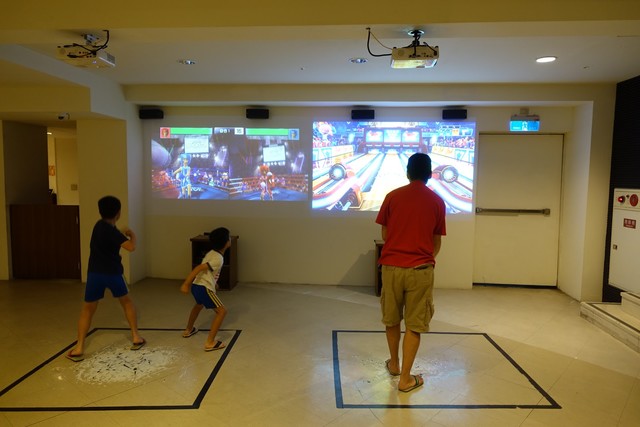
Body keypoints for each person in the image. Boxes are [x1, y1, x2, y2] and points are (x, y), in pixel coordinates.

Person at [375, 153, 446, 392]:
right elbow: (436, 241)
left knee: (392, 319)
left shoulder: (392, 197)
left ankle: (394, 364)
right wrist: (424, 259)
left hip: (391, 268)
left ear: (407, 172)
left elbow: (385, 235)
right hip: (420, 270)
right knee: (414, 325)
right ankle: (405, 378)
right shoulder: (437, 201)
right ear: (429, 174)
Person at [66, 196, 145, 362]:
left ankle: (79, 346)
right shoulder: (113, 231)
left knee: (87, 309)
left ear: (100, 211)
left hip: (95, 273)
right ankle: (136, 336)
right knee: (127, 302)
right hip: (113, 273)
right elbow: (131, 247)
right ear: (118, 213)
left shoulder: (98, 226)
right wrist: (132, 235)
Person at [180, 227, 230, 351]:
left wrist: (214, 283)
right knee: (222, 312)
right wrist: (186, 283)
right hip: (204, 288)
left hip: (197, 286)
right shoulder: (218, 258)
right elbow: (199, 268)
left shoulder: (211, 253)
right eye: (228, 237)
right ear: (226, 242)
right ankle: (210, 342)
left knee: (198, 305)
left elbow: (208, 272)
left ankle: (188, 330)